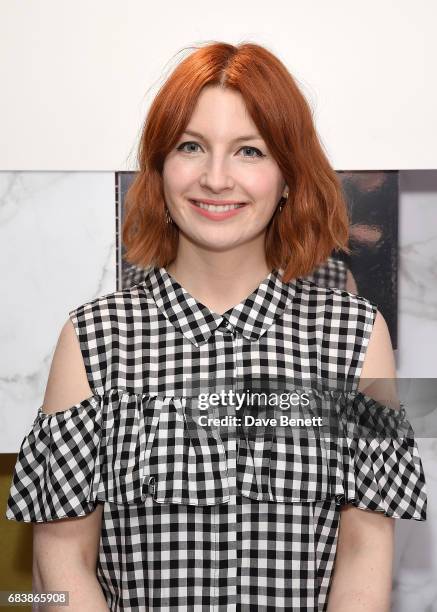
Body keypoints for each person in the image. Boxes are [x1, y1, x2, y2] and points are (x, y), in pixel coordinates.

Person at [6, 41, 427, 611]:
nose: (216, 177)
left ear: (287, 176)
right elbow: (58, 565)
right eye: (191, 147)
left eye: (250, 151)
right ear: (158, 167)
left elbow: (365, 556)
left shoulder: (356, 338)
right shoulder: (93, 339)